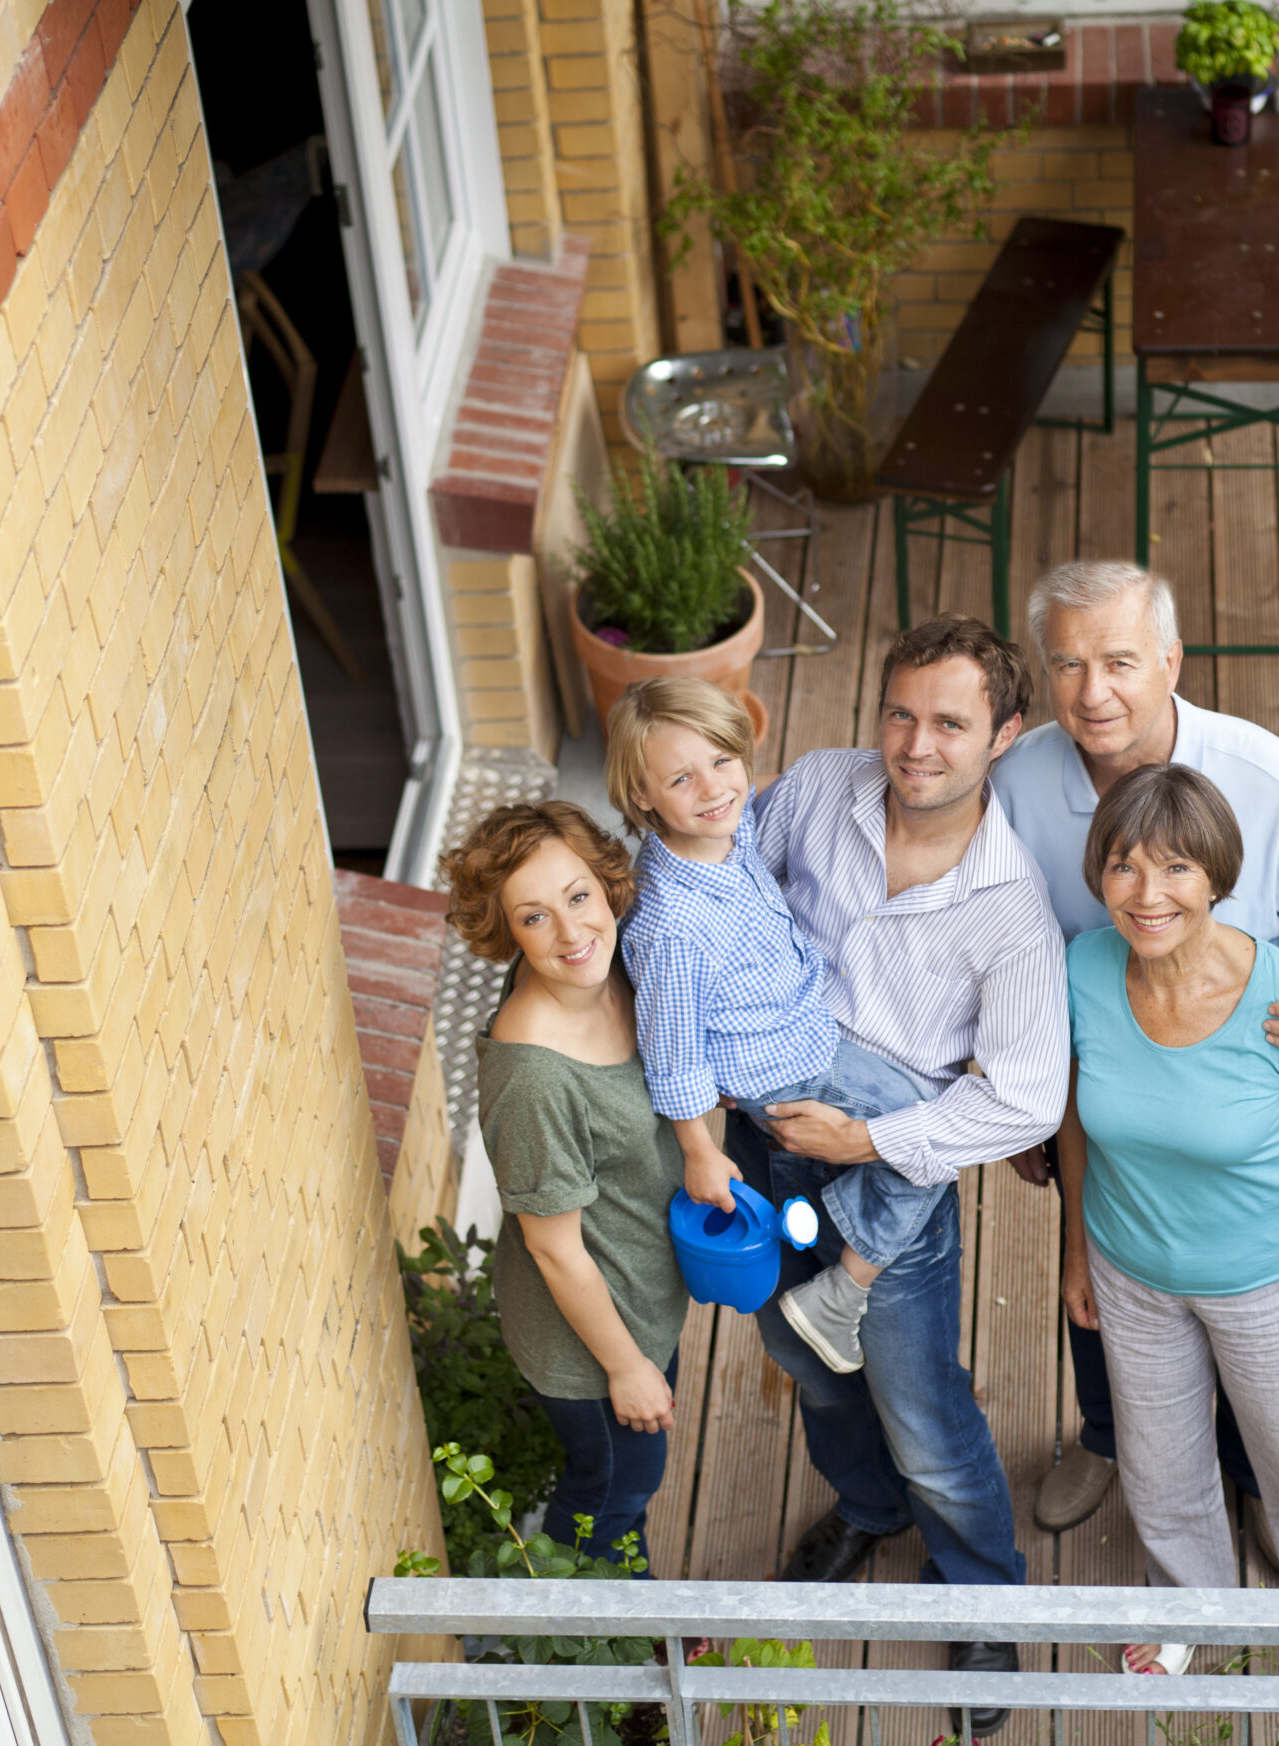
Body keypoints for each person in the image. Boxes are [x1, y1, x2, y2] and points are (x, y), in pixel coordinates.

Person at [988, 559, 1279, 1547]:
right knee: (1106, 1282)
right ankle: (1111, 1436)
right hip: (1090, 1083)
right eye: (1069, 665)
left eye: (1120, 661)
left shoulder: (1260, 773)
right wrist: (1007, 1089)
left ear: (1170, 659)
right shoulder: (1013, 784)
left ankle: (1260, 1475)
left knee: (1265, 1352)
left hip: (1240, 1093)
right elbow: (980, 936)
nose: (1094, 693)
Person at [732, 616, 1069, 1739]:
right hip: (759, 1142)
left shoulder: (1011, 911)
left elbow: (1024, 1099)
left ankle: (980, 1593)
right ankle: (866, 1510)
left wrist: (867, 1144)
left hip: (884, 1183)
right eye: (902, 713)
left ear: (1004, 736)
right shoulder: (821, 788)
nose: (917, 744)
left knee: (923, 1410)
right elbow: (735, 876)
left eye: (951, 723)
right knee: (800, 1352)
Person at [1056, 764, 1279, 1677]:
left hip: (1269, 1280)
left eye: (1174, 869)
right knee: (1159, 1464)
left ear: (1215, 876)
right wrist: (1078, 1255)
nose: (1147, 893)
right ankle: (1188, 1606)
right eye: (1124, 868)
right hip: (1133, 1272)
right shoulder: (1083, 971)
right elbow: (1077, 1126)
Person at [606, 676, 943, 1376]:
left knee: (922, 1113)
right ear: (642, 797)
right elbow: (671, 1052)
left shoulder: (733, 831)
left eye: (724, 761)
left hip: (804, 1030)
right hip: (783, 1071)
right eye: (681, 778)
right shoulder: (672, 921)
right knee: (936, 1134)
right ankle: (842, 1291)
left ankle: (843, 1224)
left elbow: (765, 794)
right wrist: (699, 1151)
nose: (713, 788)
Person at [441, 800, 688, 1570]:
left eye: (578, 897)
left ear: (605, 883)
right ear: (506, 933)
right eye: (534, 918)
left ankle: (635, 1609)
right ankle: (579, 1652)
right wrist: (625, 1367)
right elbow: (556, 1253)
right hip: (589, 1340)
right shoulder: (534, 1077)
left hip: (637, 1288)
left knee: (627, 1489)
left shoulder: (611, 966)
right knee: (613, 1487)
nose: (572, 933)